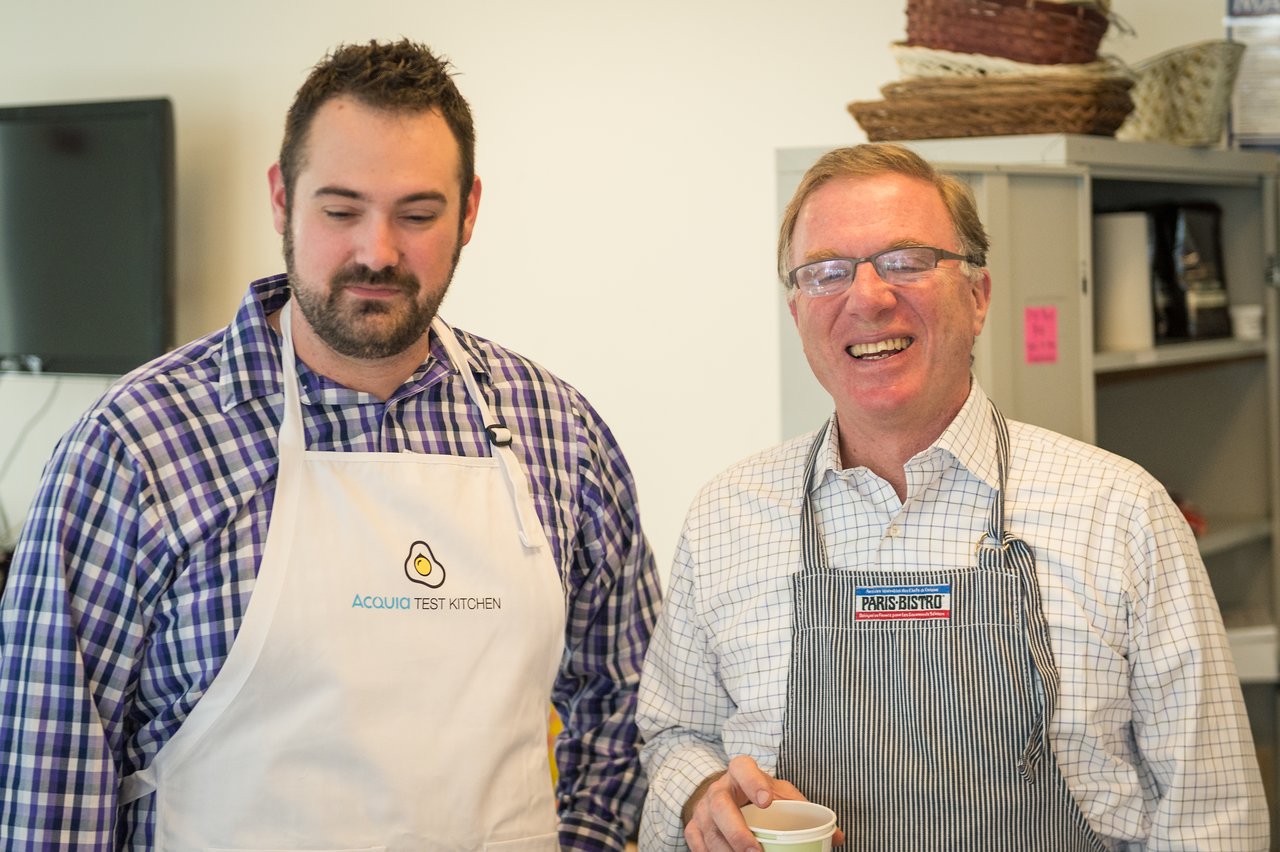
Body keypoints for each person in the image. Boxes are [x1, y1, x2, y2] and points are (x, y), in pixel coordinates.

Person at [0, 39, 659, 851]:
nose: (377, 252)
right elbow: (47, 784)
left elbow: (627, 702)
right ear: (282, 199)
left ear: (470, 211)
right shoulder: (136, 447)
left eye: (417, 215)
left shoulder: (559, 433)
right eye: (341, 210)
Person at [636, 143, 1268, 851]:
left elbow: (1212, 814)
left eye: (906, 261)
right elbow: (673, 731)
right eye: (827, 272)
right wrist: (701, 792)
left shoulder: (1119, 514)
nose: (867, 297)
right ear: (797, 312)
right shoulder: (728, 517)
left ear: (978, 297)